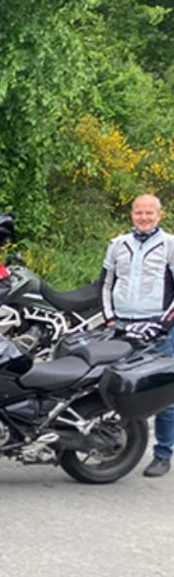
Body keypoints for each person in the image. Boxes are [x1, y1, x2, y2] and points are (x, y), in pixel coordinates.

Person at [100, 193, 174, 477]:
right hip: (121, 326)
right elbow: (105, 284)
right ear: (131, 214)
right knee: (115, 385)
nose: (144, 218)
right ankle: (119, 444)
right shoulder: (118, 244)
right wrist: (109, 319)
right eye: (138, 213)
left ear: (159, 215)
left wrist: (162, 325)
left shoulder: (169, 245)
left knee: (162, 394)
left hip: (158, 329)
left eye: (149, 213)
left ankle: (163, 453)